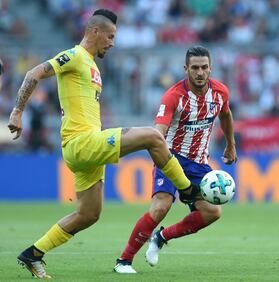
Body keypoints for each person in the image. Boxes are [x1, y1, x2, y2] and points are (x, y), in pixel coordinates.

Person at [8, 9, 199, 279]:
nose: (112, 42)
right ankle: (189, 190)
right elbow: (34, 73)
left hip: (89, 149)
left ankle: (33, 254)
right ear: (94, 32)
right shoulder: (74, 56)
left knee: (88, 214)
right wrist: (17, 111)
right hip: (81, 143)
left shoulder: (92, 66)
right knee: (154, 137)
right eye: (110, 36)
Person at [114, 46, 237, 274]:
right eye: (195, 68)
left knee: (212, 213)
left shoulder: (220, 92)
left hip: (199, 162)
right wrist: (161, 158)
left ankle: (161, 237)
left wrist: (231, 144)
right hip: (170, 158)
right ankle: (124, 260)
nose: (200, 73)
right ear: (186, 69)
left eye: (204, 67)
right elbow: (157, 133)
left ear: (210, 68)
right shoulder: (173, 96)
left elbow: (226, 115)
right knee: (161, 207)